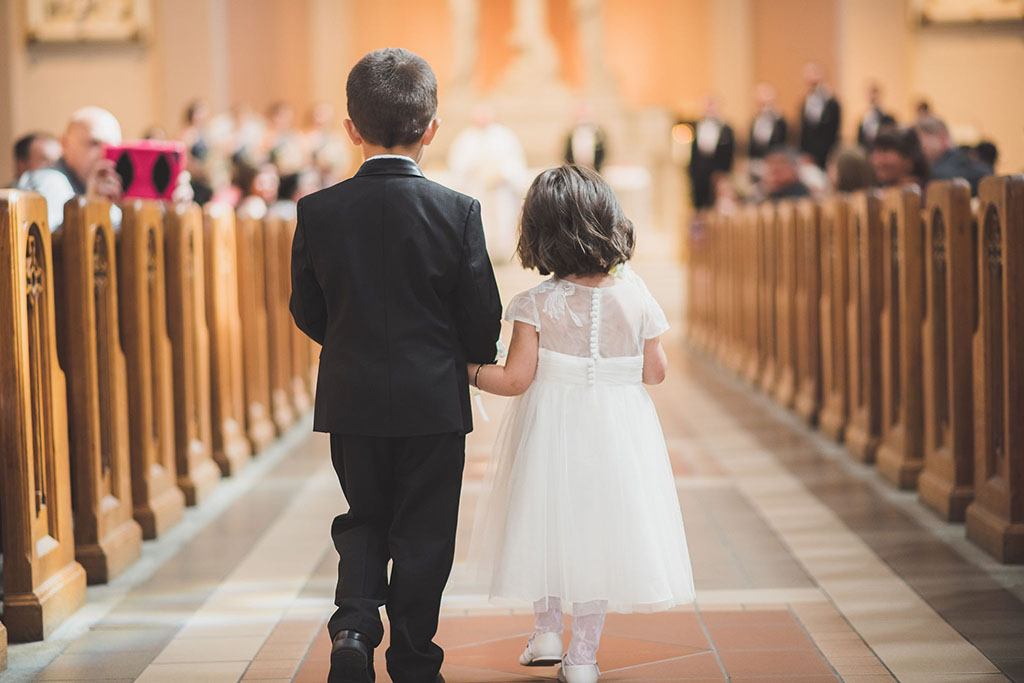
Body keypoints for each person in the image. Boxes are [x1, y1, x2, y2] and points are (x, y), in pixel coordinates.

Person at [289, 48, 502, 683]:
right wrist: (462, 356)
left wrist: (352, 344)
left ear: (350, 128)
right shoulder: (457, 210)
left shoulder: (317, 210)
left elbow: (306, 308)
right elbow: (481, 315)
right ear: (432, 128)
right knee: (426, 529)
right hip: (433, 398)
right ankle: (413, 658)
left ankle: (353, 625)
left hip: (352, 393)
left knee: (363, 514)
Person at [468, 165, 695, 683]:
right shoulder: (636, 296)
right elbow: (656, 372)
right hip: (617, 430)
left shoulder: (534, 304)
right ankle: (583, 657)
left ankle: (547, 629)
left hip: (551, 426)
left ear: (540, 234)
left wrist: (465, 371)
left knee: (545, 520)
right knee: (599, 532)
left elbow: (516, 380)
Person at [447, 103, 529, 263]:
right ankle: (480, 254)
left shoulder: (504, 136)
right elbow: (458, 165)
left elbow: (515, 161)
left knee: (502, 219)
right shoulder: (466, 138)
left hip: (500, 189)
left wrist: (504, 173)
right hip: (477, 189)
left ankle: (503, 254)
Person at [916, 115, 992, 194]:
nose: (920, 148)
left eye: (920, 141)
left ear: (942, 136)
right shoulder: (972, 162)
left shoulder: (939, 174)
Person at [688, 95, 734, 209]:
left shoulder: (726, 130)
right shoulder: (696, 127)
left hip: (718, 176)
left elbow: (729, 155)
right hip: (699, 177)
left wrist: (724, 175)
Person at [799, 63, 841, 169]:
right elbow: (804, 130)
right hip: (809, 154)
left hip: (827, 153)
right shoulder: (806, 101)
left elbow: (834, 130)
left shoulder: (831, 102)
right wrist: (804, 152)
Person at [748, 83, 787, 168]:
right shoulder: (755, 121)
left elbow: (783, 145)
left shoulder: (780, 121)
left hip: (776, 163)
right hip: (758, 163)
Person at [563, 103, 607, 173]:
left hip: (595, 170)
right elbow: (566, 153)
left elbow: (603, 152)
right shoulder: (571, 134)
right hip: (576, 171)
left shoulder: (598, 134)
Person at [856, 82, 896, 149]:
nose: (873, 96)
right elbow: (860, 141)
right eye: (870, 93)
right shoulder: (864, 119)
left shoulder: (888, 118)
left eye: (875, 93)